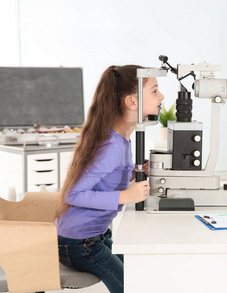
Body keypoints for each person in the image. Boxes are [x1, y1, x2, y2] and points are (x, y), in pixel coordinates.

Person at [54, 65, 164, 293]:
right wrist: (126, 195)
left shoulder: (121, 139)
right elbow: (73, 195)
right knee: (130, 287)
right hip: (78, 243)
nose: (161, 96)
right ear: (132, 102)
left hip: (95, 236)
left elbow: (104, 177)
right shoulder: (112, 146)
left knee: (141, 271)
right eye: (154, 90)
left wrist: (132, 173)